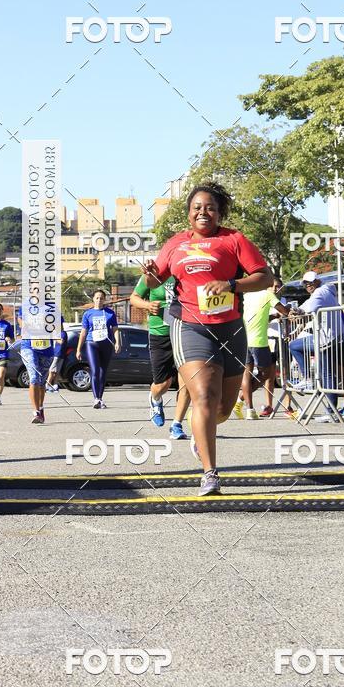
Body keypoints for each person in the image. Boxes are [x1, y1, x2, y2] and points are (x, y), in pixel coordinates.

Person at [141, 181, 272, 496]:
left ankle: (203, 436)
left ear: (219, 212)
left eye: (210, 207)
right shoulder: (175, 244)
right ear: (188, 213)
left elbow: (265, 277)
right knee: (203, 397)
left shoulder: (234, 239)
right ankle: (210, 474)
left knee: (223, 410)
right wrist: (149, 273)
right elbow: (153, 279)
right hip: (190, 327)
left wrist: (231, 284)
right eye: (197, 207)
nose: (203, 212)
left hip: (230, 329)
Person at [130, 274, 191, 439]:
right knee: (163, 384)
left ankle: (177, 424)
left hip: (184, 331)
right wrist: (148, 305)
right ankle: (155, 399)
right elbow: (134, 298)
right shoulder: (152, 276)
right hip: (160, 334)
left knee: (186, 382)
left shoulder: (185, 273)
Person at [289, 272, 344, 421]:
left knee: (328, 374)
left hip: (327, 339)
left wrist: (296, 312)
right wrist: (296, 311)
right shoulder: (325, 291)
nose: (308, 285)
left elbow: (306, 309)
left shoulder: (320, 293)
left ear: (318, 281)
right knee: (340, 373)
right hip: (338, 337)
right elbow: (305, 306)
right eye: (305, 283)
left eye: (310, 282)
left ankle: (331, 410)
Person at [239, 278, 291, 419]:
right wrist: (290, 310)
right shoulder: (268, 295)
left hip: (244, 339)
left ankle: (248, 408)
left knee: (246, 373)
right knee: (267, 373)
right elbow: (285, 311)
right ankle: (242, 399)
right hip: (259, 340)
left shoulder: (247, 295)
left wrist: (274, 315)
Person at [77, 290, 121, 409]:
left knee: (103, 372)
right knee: (95, 370)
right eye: (97, 298)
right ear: (93, 299)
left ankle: (100, 398)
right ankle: (96, 399)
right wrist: (78, 349)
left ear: (104, 299)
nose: (99, 300)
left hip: (106, 344)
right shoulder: (88, 314)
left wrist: (117, 342)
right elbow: (83, 332)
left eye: (101, 298)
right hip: (92, 343)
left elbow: (115, 329)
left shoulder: (110, 313)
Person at [17, 304, 57, 424]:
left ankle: (40, 407)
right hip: (28, 347)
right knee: (34, 377)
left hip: (46, 349)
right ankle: (36, 412)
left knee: (41, 383)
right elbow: (21, 323)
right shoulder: (25, 307)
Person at [46, 317, 67, 394]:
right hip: (58, 354)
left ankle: (47, 385)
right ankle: (55, 385)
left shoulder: (62, 333)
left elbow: (61, 341)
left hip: (58, 354)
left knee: (52, 370)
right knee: (56, 371)